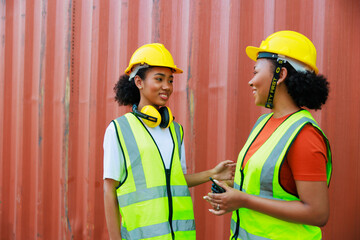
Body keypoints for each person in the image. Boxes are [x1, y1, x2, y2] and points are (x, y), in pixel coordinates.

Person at [204, 30, 332, 239]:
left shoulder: (304, 135)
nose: (251, 82)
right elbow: (267, 188)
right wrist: (232, 191)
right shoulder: (263, 122)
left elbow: (318, 213)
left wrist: (243, 200)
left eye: (255, 72)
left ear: (280, 75)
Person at [103, 43, 235, 240]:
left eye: (170, 80)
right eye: (159, 79)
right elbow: (109, 190)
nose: (167, 86)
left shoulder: (175, 130)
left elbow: (175, 180)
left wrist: (212, 174)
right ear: (139, 82)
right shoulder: (119, 130)